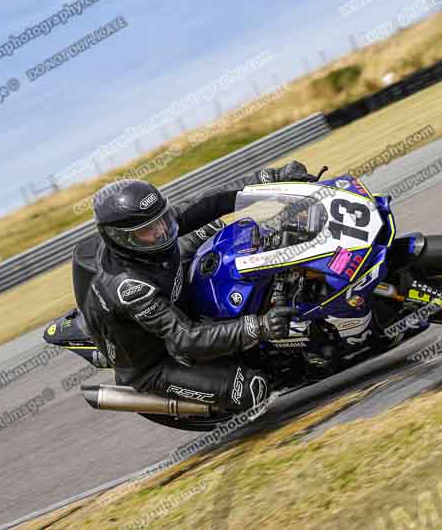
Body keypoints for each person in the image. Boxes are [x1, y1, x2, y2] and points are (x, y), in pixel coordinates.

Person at [78, 161, 314, 413]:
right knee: (251, 389)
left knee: (216, 230)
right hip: (160, 359)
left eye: (163, 220)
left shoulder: (155, 228)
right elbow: (184, 338)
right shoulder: (129, 288)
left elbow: (208, 202)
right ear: (122, 239)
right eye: (149, 230)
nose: (161, 231)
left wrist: (269, 178)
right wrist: (261, 326)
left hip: (171, 288)